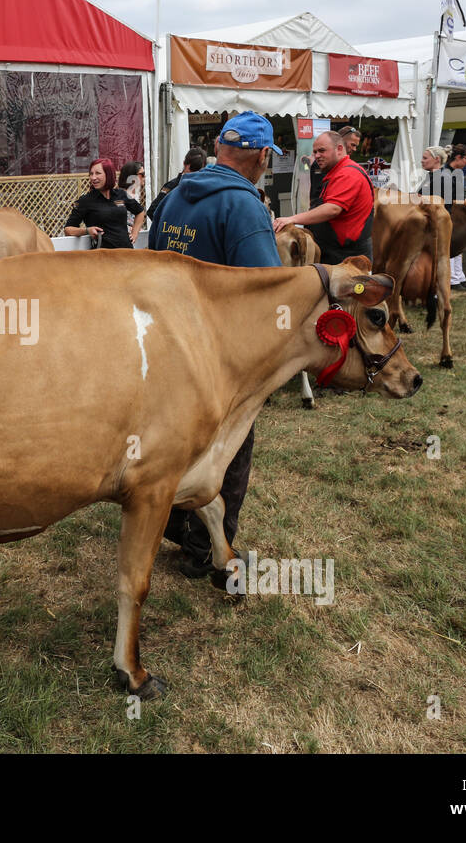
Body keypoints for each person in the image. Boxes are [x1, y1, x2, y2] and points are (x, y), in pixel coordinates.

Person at [149, 111, 282, 582]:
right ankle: (206, 548)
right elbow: (268, 289)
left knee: (173, 444)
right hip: (220, 356)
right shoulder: (244, 207)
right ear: (262, 156)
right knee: (228, 453)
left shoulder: (174, 195)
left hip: (168, 344)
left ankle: (171, 526)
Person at [273, 130, 375, 263]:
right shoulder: (335, 173)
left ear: (339, 149)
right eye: (315, 152)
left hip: (347, 259)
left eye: (322, 151)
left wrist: (292, 219)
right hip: (334, 253)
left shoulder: (348, 174)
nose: (317, 156)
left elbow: (332, 208)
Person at [419, 145, 466, 291]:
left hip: (436, 223)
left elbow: (430, 202)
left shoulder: (440, 178)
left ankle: (438, 289)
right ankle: (452, 281)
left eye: (425, 158)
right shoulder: (439, 176)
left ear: (437, 159)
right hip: (441, 221)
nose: (422, 161)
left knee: (439, 256)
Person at [63, 158, 144, 249]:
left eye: (98, 173)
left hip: (126, 252)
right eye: (91, 174)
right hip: (102, 257)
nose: (93, 177)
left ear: (108, 175)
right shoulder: (85, 200)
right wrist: (86, 231)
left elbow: (140, 212)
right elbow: (68, 230)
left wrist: (134, 233)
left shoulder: (121, 194)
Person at [147, 147, 206, 222]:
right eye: (194, 168)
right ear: (185, 164)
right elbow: (153, 211)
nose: (196, 174)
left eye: (200, 170)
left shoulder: (204, 189)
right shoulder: (172, 186)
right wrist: (170, 227)